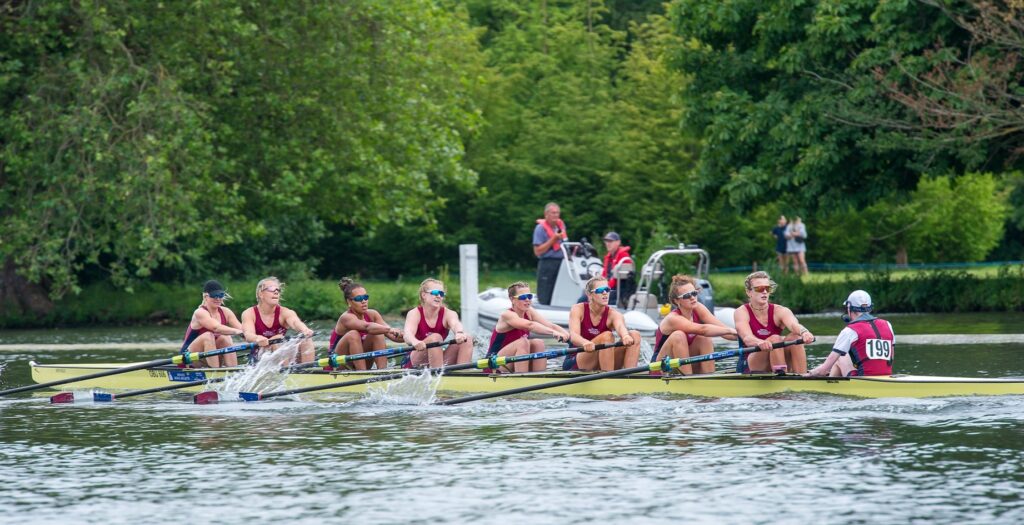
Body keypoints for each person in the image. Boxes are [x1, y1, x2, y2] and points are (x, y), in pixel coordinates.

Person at [651, 275, 738, 375]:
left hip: (681, 362)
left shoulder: (698, 307)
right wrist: (731, 330)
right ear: (676, 301)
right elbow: (703, 329)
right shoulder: (673, 319)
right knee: (679, 335)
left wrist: (745, 337)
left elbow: (724, 331)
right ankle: (688, 379)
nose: (692, 298)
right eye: (687, 296)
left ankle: (709, 377)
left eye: (694, 293)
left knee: (703, 339)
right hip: (660, 366)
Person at [733, 271, 814, 374]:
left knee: (795, 337)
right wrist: (760, 342)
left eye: (767, 288)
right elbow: (747, 338)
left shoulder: (780, 311)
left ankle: (802, 376)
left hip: (775, 354)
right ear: (749, 292)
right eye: (759, 289)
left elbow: (794, 325)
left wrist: (804, 332)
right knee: (775, 339)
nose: (765, 292)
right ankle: (781, 378)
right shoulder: (741, 312)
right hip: (750, 361)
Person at [485, 282, 570, 373]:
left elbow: (550, 325)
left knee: (538, 342)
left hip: (513, 361)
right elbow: (530, 325)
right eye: (522, 297)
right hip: (494, 363)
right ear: (512, 299)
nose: (527, 299)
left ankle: (539, 375)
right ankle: (522, 377)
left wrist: (568, 336)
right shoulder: (507, 315)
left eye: (529, 296)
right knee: (523, 342)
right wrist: (553, 333)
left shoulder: (529, 311)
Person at [807, 290, 894, 377]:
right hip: (886, 376)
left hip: (863, 381)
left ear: (849, 308)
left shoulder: (850, 330)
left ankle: (830, 386)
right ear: (870, 308)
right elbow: (891, 359)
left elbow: (823, 370)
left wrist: (809, 373)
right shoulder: (888, 324)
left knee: (839, 357)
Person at [565, 276, 641, 371]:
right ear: (589, 294)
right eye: (600, 290)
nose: (605, 293)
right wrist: (585, 342)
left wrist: (625, 336)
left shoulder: (614, 314)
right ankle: (608, 379)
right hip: (577, 361)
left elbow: (621, 327)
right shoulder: (578, 309)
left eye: (607, 289)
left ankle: (630, 378)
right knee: (607, 336)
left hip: (603, 359)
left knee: (635, 335)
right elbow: (574, 336)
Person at [330, 277, 405, 370]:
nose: (363, 301)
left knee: (378, 333)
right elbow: (367, 326)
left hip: (360, 361)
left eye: (365, 297)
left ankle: (383, 372)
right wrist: (390, 329)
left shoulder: (373, 314)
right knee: (353, 334)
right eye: (359, 298)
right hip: (339, 364)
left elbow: (393, 336)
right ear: (349, 302)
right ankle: (362, 373)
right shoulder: (346, 318)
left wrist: (414, 338)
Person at [241, 277, 315, 365]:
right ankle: (286, 370)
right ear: (261, 294)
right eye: (271, 289)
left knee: (305, 339)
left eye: (278, 290)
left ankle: (307, 371)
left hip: (280, 351)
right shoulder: (249, 313)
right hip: (260, 356)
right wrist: (257, 338)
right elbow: (248, 334)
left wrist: (305, 330)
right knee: (278, 338)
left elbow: (295, 323)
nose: (276, 292)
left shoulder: (285, 312)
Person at [402, 278, 473, 368]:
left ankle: (463, 375)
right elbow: (407, 334)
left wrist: (459, 333)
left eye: (441, 293)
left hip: (436, 359)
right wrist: (414, 341)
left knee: (467, 338)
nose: (439, 296)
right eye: (435, 293)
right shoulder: (414, 313)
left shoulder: (449, 313)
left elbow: (456, 324)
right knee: (435, 337)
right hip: (414, 360)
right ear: (424, 295)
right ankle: (437, 374)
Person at [180, 280, 248, 368]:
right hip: (189, 358)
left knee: (225, 338)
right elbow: (216, 328)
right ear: (205, 296)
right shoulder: (200, 312)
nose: (218, 299)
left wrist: (258, 338)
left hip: (209, 356)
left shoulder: (226, 312)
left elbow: (244, 330)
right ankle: (215, 372)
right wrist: (237, 332)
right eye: (214, 296)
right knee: (208, 336)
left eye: (220, 295)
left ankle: (233, 370)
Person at [533, 202, 567, 305]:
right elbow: (537, 251)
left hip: (562, 263)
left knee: (558, 292)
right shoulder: (540, 229)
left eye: (557, 213)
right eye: (553, 213)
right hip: (547, 263)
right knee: (545, 293)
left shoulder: (560, 226)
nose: (556, 215)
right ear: (546, 214)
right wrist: (554, 239)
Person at [600, 232, 633, 306]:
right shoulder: (608, 257)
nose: (608, 244)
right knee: (586, 294)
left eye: (610, 241)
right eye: (606, 241)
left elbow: (615, 280)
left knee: (591, 297)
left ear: (618, 242)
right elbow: (603, 275)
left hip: (618, 290)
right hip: (609, 288)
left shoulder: (624, 256)